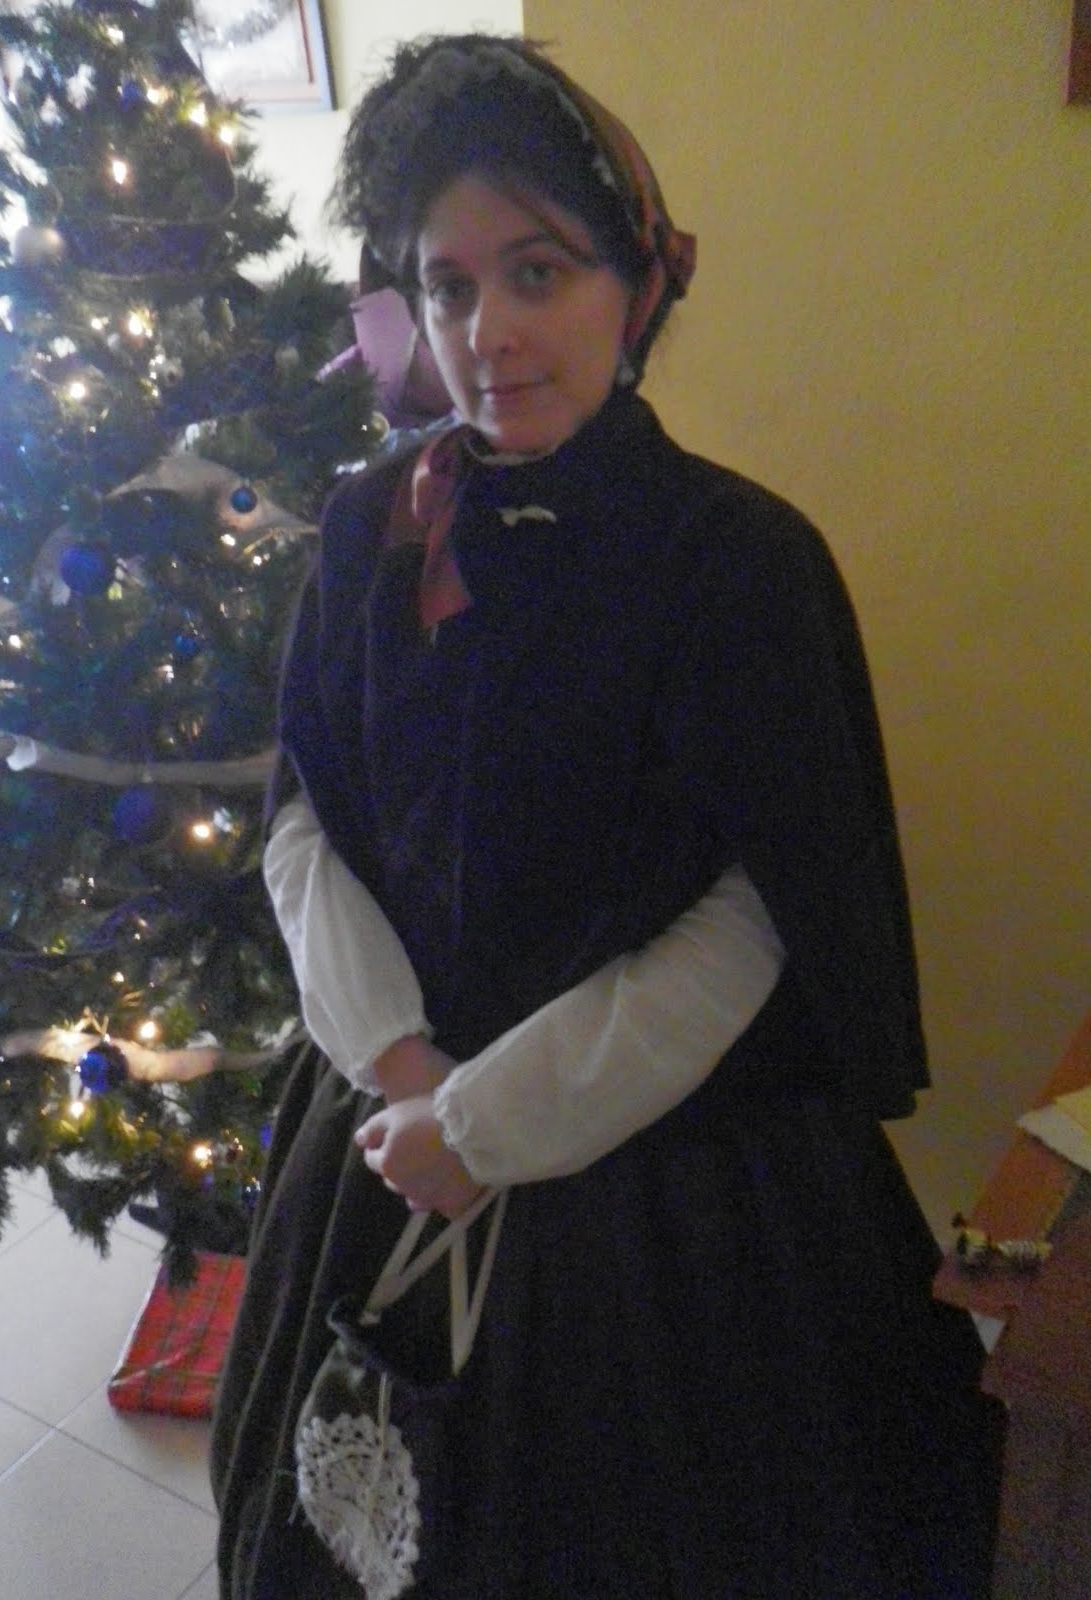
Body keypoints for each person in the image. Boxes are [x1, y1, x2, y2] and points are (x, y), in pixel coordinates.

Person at [210, 33, 1002, 1599]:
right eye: (447, 286)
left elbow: (760, 915)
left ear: (635, 285)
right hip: (387, 1118)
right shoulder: (374, 525)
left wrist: (485, 1129)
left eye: (538, 271)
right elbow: (306, 820)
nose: (489, 333)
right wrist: (407, 1078)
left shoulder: (741, 564)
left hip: (667, 1185)